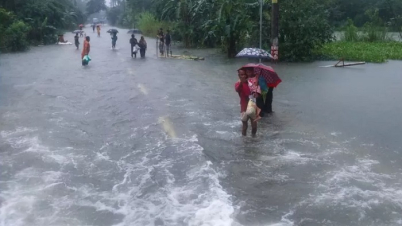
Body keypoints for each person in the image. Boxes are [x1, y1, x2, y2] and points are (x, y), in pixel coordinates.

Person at [235, 69, 257, 136]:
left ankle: (253, 139)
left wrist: (256, 93)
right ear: (239, 75)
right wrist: (241, 82)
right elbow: (237, 90)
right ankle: (244, 141)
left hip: (252, 106)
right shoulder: (238, 84)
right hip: (244, 107)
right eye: (242, 75)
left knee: (254, 126)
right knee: (244, 126)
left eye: (245, 74)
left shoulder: (251, 83)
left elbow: (256, 92)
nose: (244, 76)